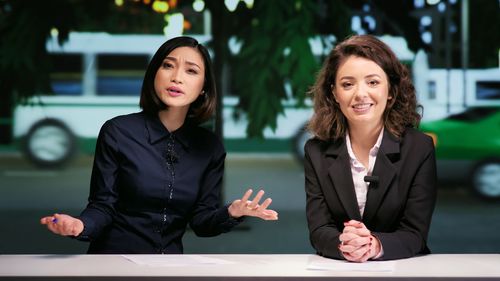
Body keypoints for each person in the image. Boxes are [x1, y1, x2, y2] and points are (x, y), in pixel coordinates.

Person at [40, 36, 278, 254]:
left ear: (203, 87)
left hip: (168, 268)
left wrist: (232, 213)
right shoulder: (118, 132)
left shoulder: (210, 147)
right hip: (113, 263)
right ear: (154, 73)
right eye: (168, 65)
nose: (177, 77)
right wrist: (79, 225)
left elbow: (201, 222)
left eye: (191, 71)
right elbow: (103, 207)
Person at [304, 34, 437, 262]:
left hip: (402, 270)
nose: (360, 94)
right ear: (335, 93)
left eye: (373, 82)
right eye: (347, 84)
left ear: (391, 91)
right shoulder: (316, 151)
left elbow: (415, 233)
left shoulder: (419, 148)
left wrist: (374, 245)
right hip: (339, 271)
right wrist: (346, 245)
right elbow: (319, 231)